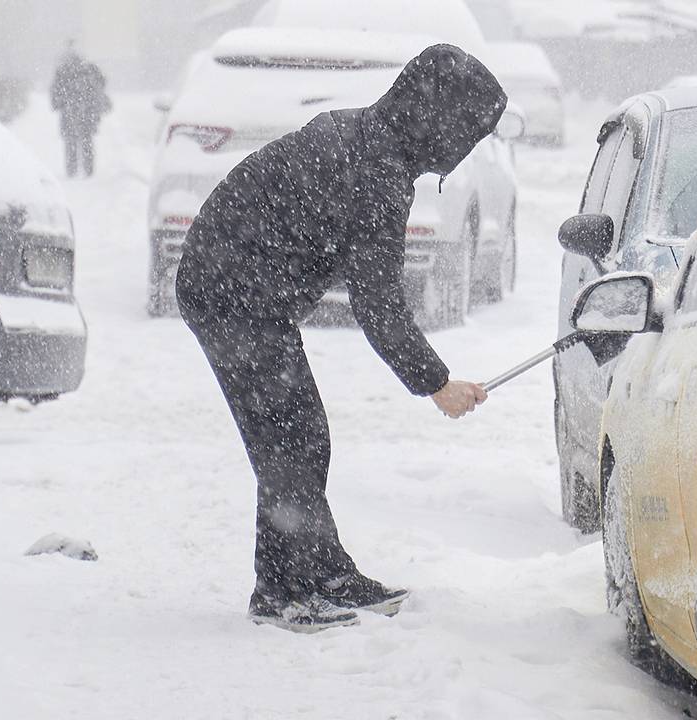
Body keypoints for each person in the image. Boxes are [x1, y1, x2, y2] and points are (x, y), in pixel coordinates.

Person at [176, 44, 506, 633]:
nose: (462, 150)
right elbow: (377, 303)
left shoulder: (371, 138)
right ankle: (306, 585)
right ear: (440, 121)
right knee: (293, 436)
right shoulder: (377, 168)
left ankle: (296, 583)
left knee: (295, 435)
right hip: (231, 289)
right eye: (466, 133)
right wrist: (435, 383)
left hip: (239, 285)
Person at [50, 47, 111, 178]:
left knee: (70, 141)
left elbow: (55, 93)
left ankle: (71, 170)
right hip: (87, 112)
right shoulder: (89, 70)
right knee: (87, 140)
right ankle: (88, 170)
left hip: (69, 112)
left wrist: (59, 103)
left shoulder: (62, 72)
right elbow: (102, 83)